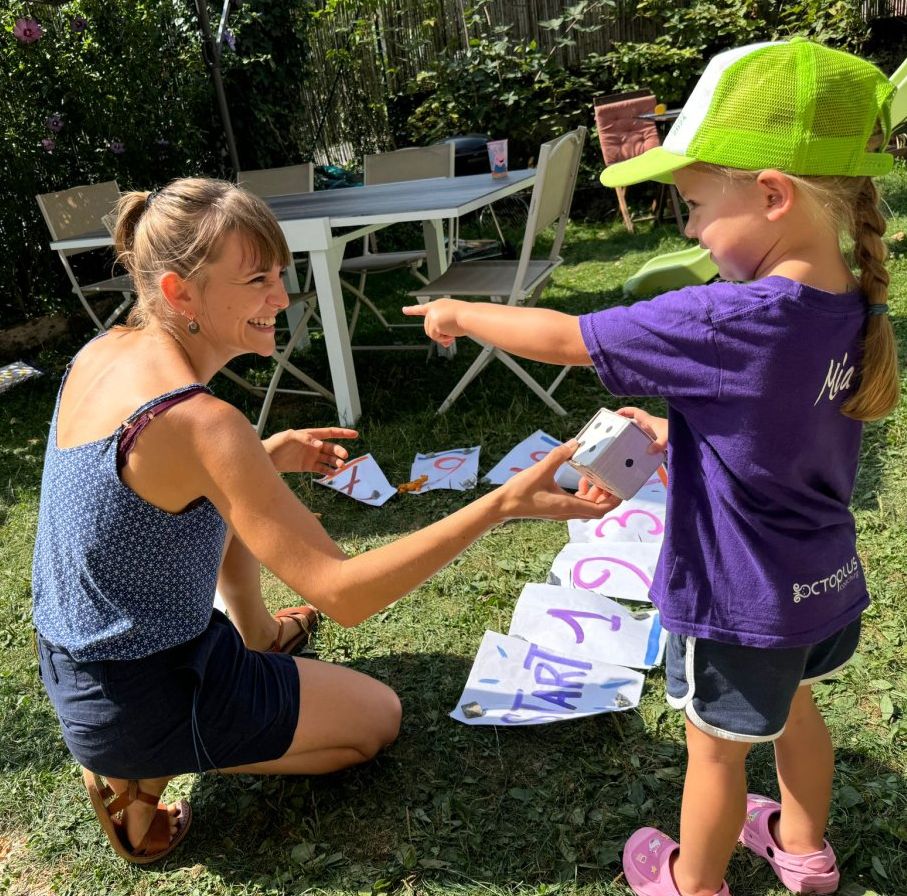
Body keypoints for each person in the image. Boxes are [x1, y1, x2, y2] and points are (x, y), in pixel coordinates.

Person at [404, 39, 900, 896]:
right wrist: (683, 435)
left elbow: (567, 339)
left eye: (694, 204)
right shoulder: (848, 301)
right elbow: (780, 423)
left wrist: (458, 309)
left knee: (712, 749)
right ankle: (802, 847)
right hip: (822, 581)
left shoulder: (728, 318)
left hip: (738, 597)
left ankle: (690, 881)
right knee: (798, 710)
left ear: (772, 196)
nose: (693, 229)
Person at [30, 177, 617, 865]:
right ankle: (138, 780)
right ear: (179, 293)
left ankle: (256, 637)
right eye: (256, 281)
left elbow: (145, 494)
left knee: (235, 512)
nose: (280, 298)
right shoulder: (202, 424)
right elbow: (344, 593)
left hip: (81, 667)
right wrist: (501, 504)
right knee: (375, 723)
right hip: (145, 691)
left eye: (279, 275)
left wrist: (264, 458)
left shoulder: (103, 353)